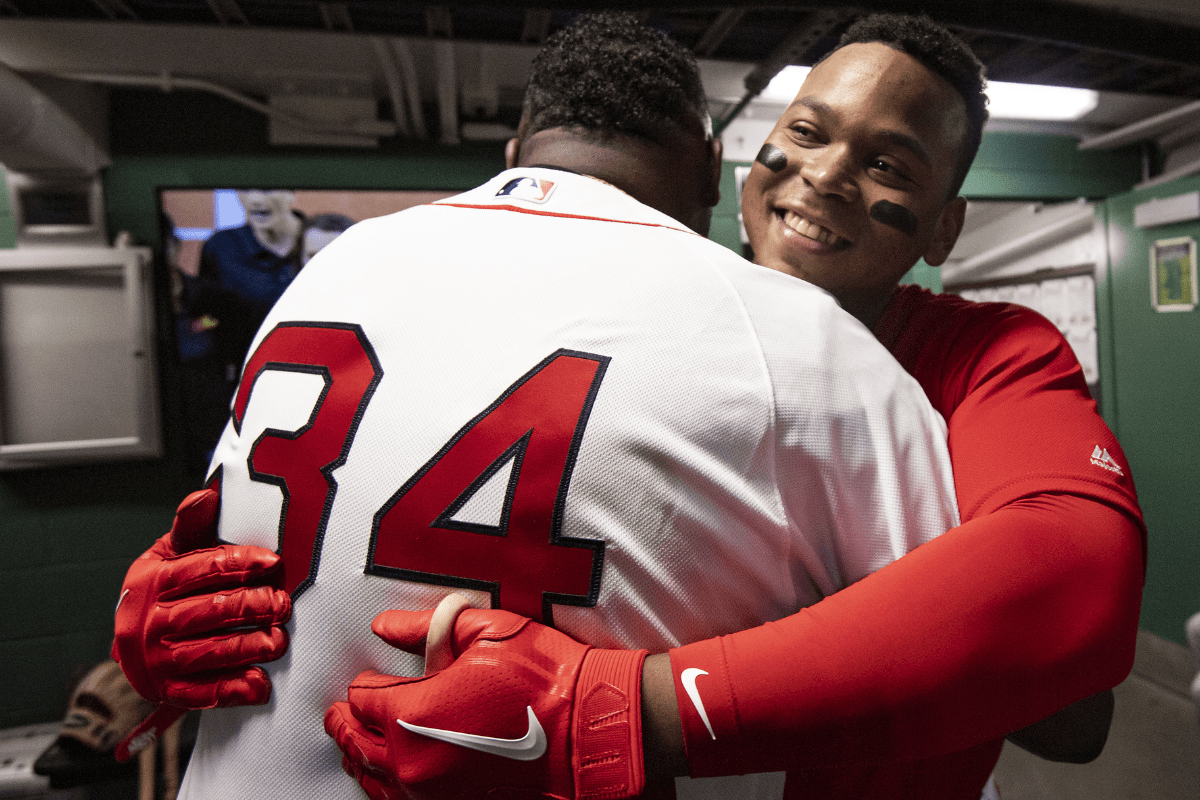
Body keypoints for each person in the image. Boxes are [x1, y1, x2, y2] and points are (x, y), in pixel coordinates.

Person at [111, 14, 962, 800]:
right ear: (712, 165)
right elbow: (963, 664)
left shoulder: (337, 265)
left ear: (519, 149)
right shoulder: (807, 345)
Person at [322, 12, 1144, 799]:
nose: (824, 176)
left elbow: (1075, 672)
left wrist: (626, 709)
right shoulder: (646, 314)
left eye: (889, 166)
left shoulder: (988, 351)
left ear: (943, 230)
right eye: (807, 134)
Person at [177, 190, 305, 461]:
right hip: (246, 387)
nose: (257, 199)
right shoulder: (221, 246)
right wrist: (204, 329)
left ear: (291, 194)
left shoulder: (321, 236)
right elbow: (211, 315)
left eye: (269, 190)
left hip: (315, 381)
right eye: (247, 190)